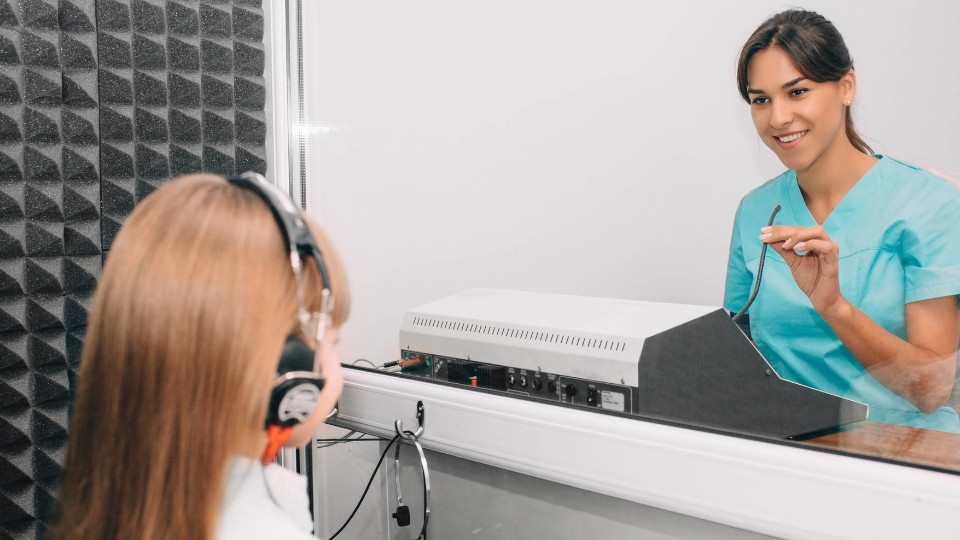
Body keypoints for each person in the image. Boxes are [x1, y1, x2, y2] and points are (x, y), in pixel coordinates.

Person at [50, 173, 350, 539]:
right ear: (289, 367)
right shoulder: (260, 531)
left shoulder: (120, 502)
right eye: (331, 343)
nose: (338, 373)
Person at [724, 9, 960, 433]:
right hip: (785, 451)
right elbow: (732, 360)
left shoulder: (930, 204)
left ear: (846, 86)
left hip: (904, 456)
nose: (777, 118)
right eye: (761, 100)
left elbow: (931, 390)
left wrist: (834, 307)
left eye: (797, 92)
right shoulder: (756, 211)